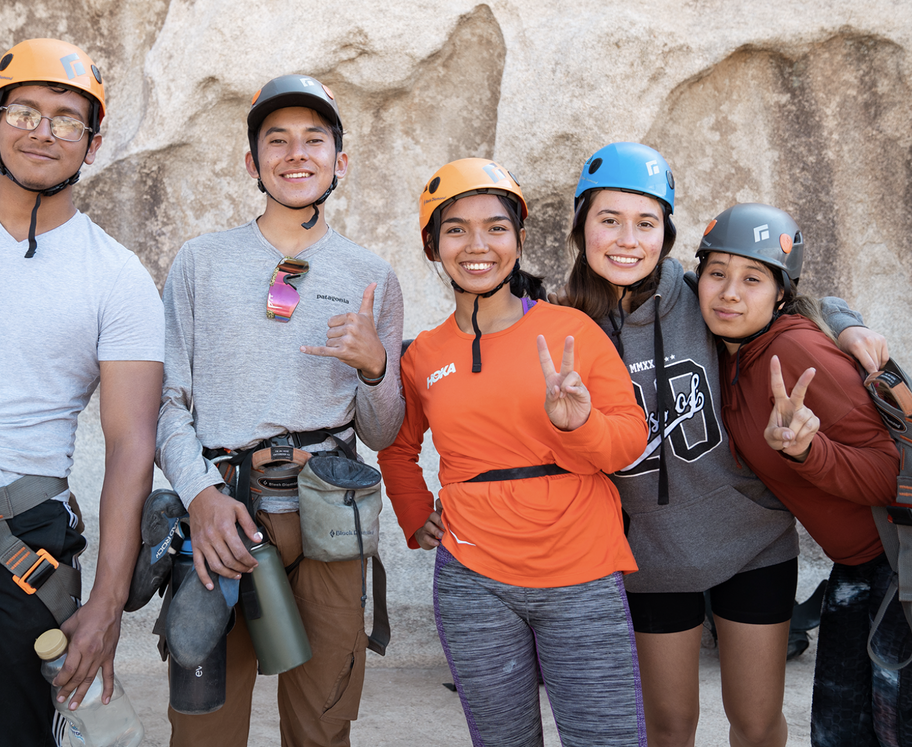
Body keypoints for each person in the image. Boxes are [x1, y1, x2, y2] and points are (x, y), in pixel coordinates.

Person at [559, 142, 885, 747]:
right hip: (649, 555)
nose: (627, 239)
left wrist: (845, 320)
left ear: (667, 234)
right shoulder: (562, 324)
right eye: (609, 220)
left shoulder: (697, 296)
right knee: (670, 727)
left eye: (646, 223)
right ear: (580, 226)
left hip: (750, 541)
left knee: (757, 725)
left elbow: (776, 298)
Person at [155, 74, 405, 747]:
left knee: (323, 726)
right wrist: (200, 496)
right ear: (251, 162)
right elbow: (165, 401)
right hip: (223, 513)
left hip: (331, 517)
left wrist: (377, 367)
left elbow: (383, 431)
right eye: (277, 140)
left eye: (314, 140)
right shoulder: (199, 264)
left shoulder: (370, 275)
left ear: (340, 162)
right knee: (203, 730)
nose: (297, 154)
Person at [379, 158, 649, 747]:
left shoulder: (571, 329)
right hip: (473, 577)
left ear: (520, 240)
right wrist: (412, 511)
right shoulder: (423, 353)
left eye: (496, 227)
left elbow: (628, 440)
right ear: (433, 247)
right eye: (456, 229)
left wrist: (579, 426)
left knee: (607, 738)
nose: (478, 245)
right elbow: (398, 449)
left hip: (581, 567)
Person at [0, 38, 164, 746]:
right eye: (25, 111)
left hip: (20, 534)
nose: (43, 131)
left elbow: (132, 443)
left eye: (67, 119)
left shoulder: (117, 276)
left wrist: (106, 603)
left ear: (93, 144)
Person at [696, 202, 910, 747]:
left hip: (899, 572)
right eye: (716, 273)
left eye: (752, 278)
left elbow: (896, 473)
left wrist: (807, 453)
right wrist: (843, 316)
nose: (729, 293)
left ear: (781, 294)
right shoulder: (732, 351)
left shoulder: (793, 348)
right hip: (858, 571)